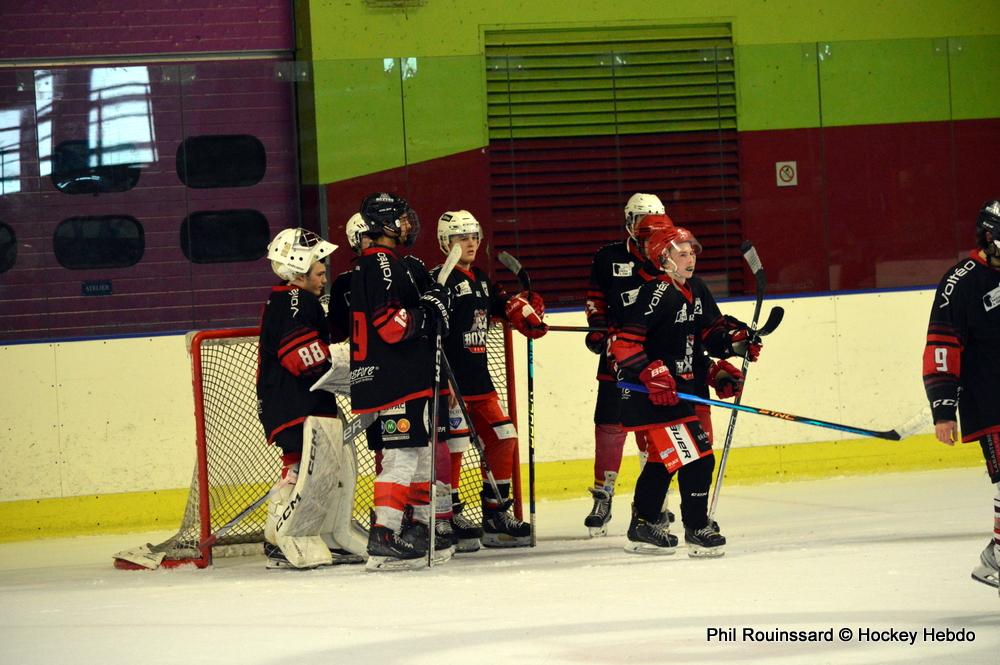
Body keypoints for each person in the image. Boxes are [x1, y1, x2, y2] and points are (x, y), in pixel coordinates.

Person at [611, 225, 759, 557]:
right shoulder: (656, 294)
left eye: (692, 252)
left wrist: (728, 354)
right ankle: (696, 527)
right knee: (698, 459)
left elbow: (699, 344)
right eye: (682, 253)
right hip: (651, 397)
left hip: (677, 394)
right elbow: (624, 347)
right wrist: (651, 372)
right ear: (664, 260)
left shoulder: (695, 290)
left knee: (665, 463)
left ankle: (643, 525)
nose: (690, 258)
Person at [349, 192, 456, 571]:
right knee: (399, 459)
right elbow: (392, 327)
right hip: (393, 380)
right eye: (401, 218)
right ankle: (384, 534)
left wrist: (429, 299)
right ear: (384, 224)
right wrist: (429, 310)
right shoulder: (380, 262)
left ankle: (417, 527)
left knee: (420, 456)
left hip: (399, 380)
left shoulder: (383, 263)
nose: (408, 224)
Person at [431, 210, 547, 549]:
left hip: (480, 383)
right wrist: (442, 378)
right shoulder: (439, 279)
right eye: (460, 237)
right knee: (453, 445)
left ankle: (496, 516)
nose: (469, 242)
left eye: (473, 236)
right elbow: (432, 333)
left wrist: (524, 309)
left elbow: (502, 305)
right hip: (452, 385)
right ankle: (448, 516)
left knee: (504, 436)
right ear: (444, 242)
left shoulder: (480, 277)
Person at [257, 227, 366, 569]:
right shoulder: (294, 300)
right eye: (319, 271)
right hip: (293, 405)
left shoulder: (296, 300)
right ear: (299, 269)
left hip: (299, 403)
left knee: (321, 468)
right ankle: (282, 535)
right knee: (300, 470)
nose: (324, 277)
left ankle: (320, 533)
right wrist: (345, 356)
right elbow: (300, 356)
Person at [582, 193, 673, 536]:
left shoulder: (669, 255)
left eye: (656, 222)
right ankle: (603, 495)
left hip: (654, 359)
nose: (649, 230)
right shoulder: (608, 257)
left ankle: (652, 501)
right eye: (641, 222)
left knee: (652, 428)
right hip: (616, 357)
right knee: (609, 426)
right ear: (629, 223)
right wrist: (597, 329)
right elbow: (595, 298)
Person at [923, 199, 1000, 594]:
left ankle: (996, 553)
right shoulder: (960, 282)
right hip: (989, 400)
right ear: (989, 237)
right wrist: (943, 409)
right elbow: (941, 346)